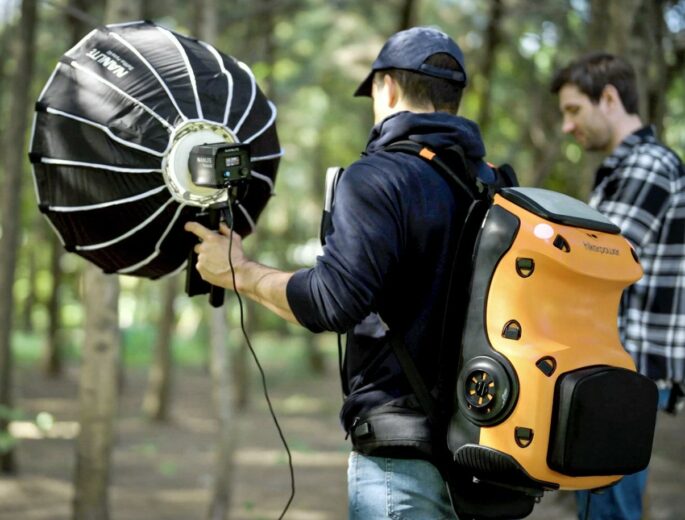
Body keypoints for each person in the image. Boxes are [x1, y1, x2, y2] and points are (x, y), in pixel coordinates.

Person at [186, 26, 494, 519]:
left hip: (401, 458)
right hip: (483, 454)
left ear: (387, 86)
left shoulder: (378, 176)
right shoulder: (493, 184)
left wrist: (239, 272)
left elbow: (333, 301)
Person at [551, 52, 685, 520]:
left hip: (627, 367)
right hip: (613, 363)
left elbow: (601, 261)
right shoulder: (623, 169)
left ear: (608, 98)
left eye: (573, 110)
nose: (568, 125)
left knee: (609, 508)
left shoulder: (648, 165)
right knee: (600, 503)